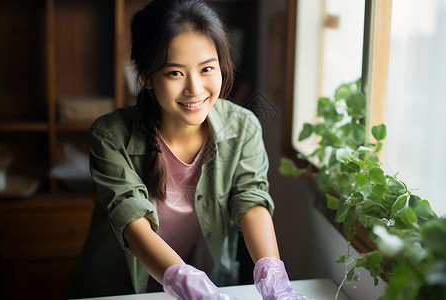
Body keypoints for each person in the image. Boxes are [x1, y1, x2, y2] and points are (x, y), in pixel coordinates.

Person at [70, 0, 313, 299]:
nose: (195, 89)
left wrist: (273, 275)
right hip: (121, 290)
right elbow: (132, 221)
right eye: (175, 73)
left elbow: (251, 201)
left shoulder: (243, 127)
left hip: (214, 284)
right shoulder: (110, 135)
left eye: (207, 68)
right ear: (147, 76)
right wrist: (184, 280)